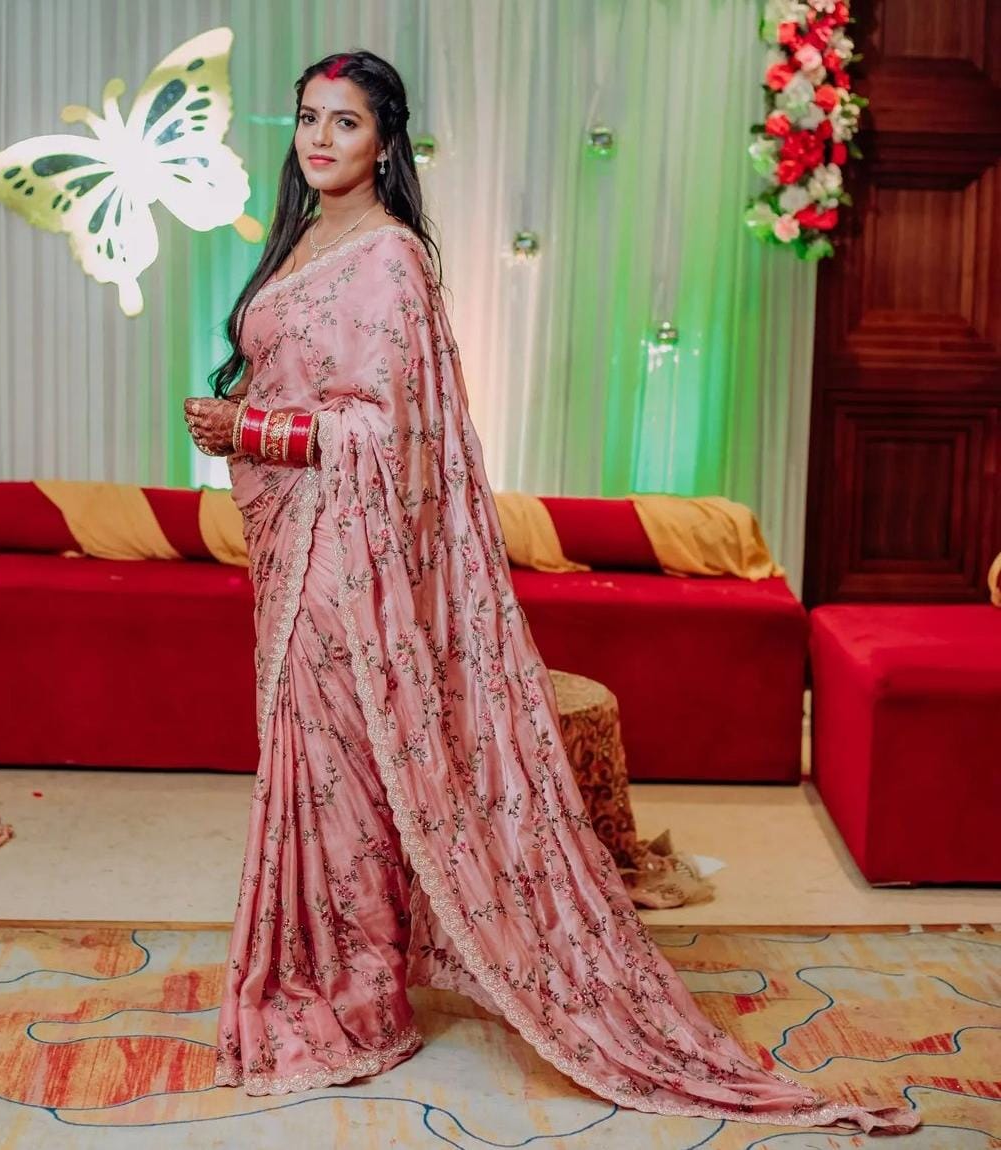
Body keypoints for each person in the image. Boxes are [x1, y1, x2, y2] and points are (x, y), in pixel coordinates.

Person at [184, 50, 918, 1134]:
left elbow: (388, 430)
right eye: (307, 118)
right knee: (313, 763)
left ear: (385, 142)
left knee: (343, 769)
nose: (320, 139)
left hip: (351, 558)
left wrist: (254, 427)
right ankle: (332, 982)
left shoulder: (391, 257)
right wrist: (250, 417)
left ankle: (356, 996)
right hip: (296, 545)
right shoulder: (301, 240)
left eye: (345, 122)